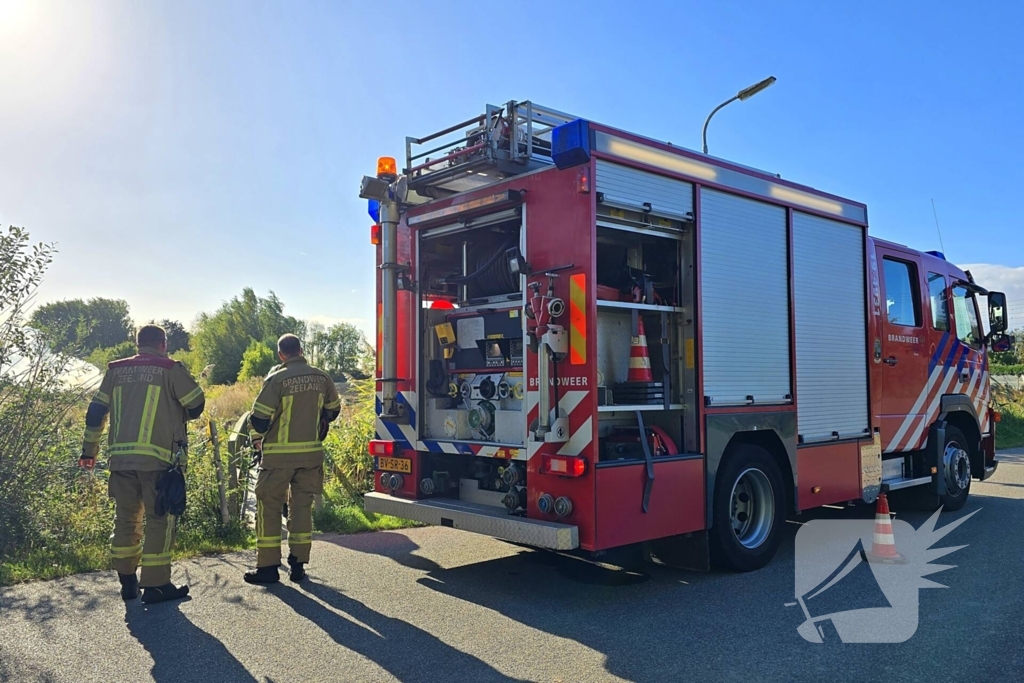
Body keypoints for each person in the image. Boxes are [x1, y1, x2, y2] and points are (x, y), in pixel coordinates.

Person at [79, 324, 205, 603]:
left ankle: (127, 582)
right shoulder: (170, 368)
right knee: (159, 520)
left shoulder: (115, 370)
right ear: (163, 344)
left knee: (126, 520)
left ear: (137, 344)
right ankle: (157, 586)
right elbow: (196, 405)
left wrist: (89, 451)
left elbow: (96, 412)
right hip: (159, 460)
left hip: (120, 460)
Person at [244, 333, 341, 584]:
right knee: (302, 509)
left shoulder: (276, 379)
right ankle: (298, 565)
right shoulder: (322, 377)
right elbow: (333, 411)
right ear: (301, 350)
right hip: (310, 456)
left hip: (278, 458)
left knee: (269, 508)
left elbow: (259, 419)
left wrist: (260, 437)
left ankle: (268, 568)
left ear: (281, 354)